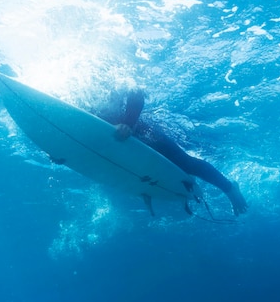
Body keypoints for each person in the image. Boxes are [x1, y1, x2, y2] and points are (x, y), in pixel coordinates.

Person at [97, 89, 248, 216]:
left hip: (141, 131)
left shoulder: (99, 81)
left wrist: (128, 124)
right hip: (119, 147)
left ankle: (230, 189)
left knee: (186, 163)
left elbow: (137, 91)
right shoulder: (78, 100)